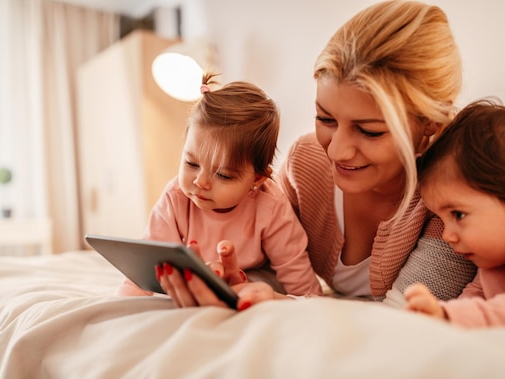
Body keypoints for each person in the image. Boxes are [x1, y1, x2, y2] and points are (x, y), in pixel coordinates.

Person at [157, 0, 477, 310]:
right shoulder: (305, 162)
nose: (336, 151)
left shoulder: (452, 199)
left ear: (430, 123)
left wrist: (285, 304)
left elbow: (404, 318)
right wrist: (236, 280)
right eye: (326, 119)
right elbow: (271, 260)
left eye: (369, 131)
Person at [115, 73, 323, 299]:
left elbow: (295, 270)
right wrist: (125, 300)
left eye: (223, 175)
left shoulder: (271, 206)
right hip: (200, 272)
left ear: (257, 180)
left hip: (253, 276)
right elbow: (148, 265)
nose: (200, 182)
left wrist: (312, 305)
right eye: (191, 163)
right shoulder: (175, 198)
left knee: (260, 286)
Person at [404, 100, 505, 328]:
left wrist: (449, 316)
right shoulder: (493, 259)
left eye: (458, 215)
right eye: (441, 219)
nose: (447, 236)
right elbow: (475, 295)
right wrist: (439, 320)